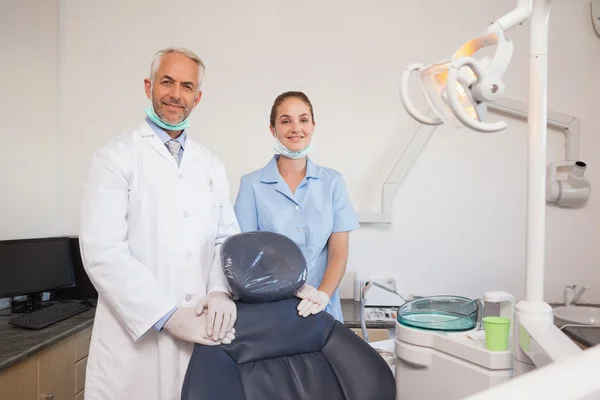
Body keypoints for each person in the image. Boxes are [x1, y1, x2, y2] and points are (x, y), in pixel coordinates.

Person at [79, 47, 239, 400]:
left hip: (200, 333)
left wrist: (218, 290)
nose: (175, 94)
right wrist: (167, 316)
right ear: (149, 86)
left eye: (186, 86)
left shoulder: (211, 165)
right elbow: (103, 252)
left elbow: (226, 239)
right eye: (167, 82)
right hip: (134, 343)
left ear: (197, 98)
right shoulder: (115, 157)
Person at [233, 91, 360, 322]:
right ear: (273, 129)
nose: (295, 128)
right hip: (271, 310)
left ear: (313, 125)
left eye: (303, 120)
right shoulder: (251, 185)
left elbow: (338, 253)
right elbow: (248, 256)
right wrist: (291, 288)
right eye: (285, 121)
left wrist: (322, 295)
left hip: (323, 308)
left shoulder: (332, 182)